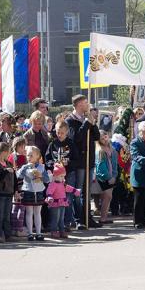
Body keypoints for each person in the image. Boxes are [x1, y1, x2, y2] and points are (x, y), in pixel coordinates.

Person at [66, 94, 101, 229]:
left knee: (88, 191)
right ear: (79, 105)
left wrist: (92, 122)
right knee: (79, 191)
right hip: (80, 161)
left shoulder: (87, 119)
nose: (88, 105)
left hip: (90, 159)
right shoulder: (70, 121)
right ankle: (80, 218)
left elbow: (96, 136)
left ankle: (88, 217)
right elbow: (77, 139)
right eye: (86, 103)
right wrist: (86, 123)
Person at [17, 145, 50, 241]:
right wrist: (24, 168)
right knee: (29, 213)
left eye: (31, 155)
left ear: (37, 156)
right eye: (28, 155)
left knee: (37, 213)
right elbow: (18, 175)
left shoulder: (41, 167)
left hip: (38, 191)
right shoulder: (25, 167)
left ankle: (39, 233)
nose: (29, 157)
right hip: (28, 191)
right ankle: (30, 233)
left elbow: (47, 180)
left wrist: (40, 176)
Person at [46, 163, 79, 238]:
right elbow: (49, 191)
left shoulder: (62, 184)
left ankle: (62, 231)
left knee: (61, 218)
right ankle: (54, 231)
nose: (63, 178)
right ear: (55, 176)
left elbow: (68, 188)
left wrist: (75, 191)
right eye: (61, 176)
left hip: (62, 203)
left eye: (63, 176)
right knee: (55, 218)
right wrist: (50, 197)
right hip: (55, 203)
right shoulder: (53, 184)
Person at [0, 142, 15, 243]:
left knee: (7, 215)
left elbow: (14, 178)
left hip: (9, 193)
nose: (8, 154)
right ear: (2, 152)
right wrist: (6, 171)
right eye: (7, 152)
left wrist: (16, 190)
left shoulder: (9, 163)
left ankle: (8, 235)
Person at [94, 130, 118, 224]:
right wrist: (109, 178)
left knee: (107, 197)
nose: (104, 139)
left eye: (105, 137)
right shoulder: (99, 150)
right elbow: (100, 167)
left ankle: (104, 217)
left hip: (112, 176)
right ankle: (103, 217)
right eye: (102, 138)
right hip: (103, 177)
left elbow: (115, 165)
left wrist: (114, 176)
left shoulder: (113, 150)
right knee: (107, 196)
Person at [8, 136, 27, 237]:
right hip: (18, 185)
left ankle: (17, 227)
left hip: (19, 185)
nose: (24, 148)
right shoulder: (16, 157)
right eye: (22, 146)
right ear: (17, 146)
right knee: (19, 208)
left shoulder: (16, 156)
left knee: (18, 207)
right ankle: (18, 228)